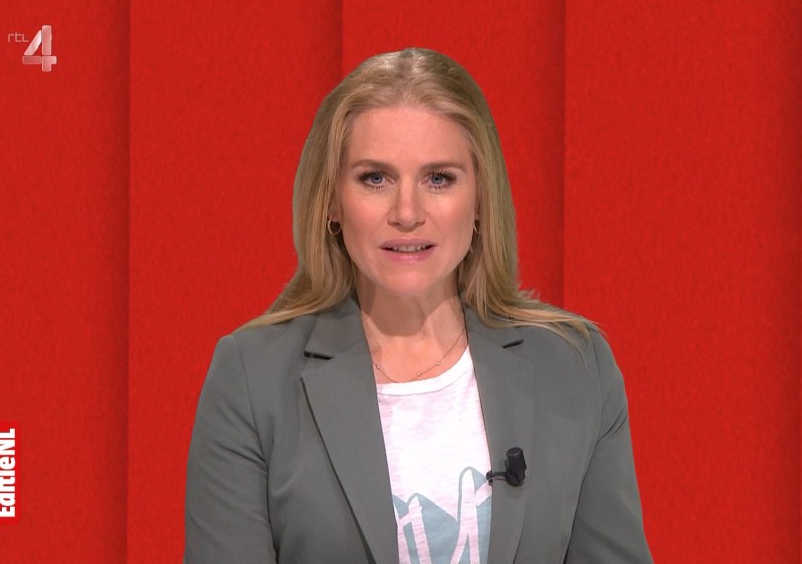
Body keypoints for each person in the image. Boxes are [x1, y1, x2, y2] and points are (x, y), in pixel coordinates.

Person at [184, 47, 652, 563]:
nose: (407, 212)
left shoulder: (575, 368)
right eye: (375, 178)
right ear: (332, 201)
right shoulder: (253, 380)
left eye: (438, 179)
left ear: (480, 200)